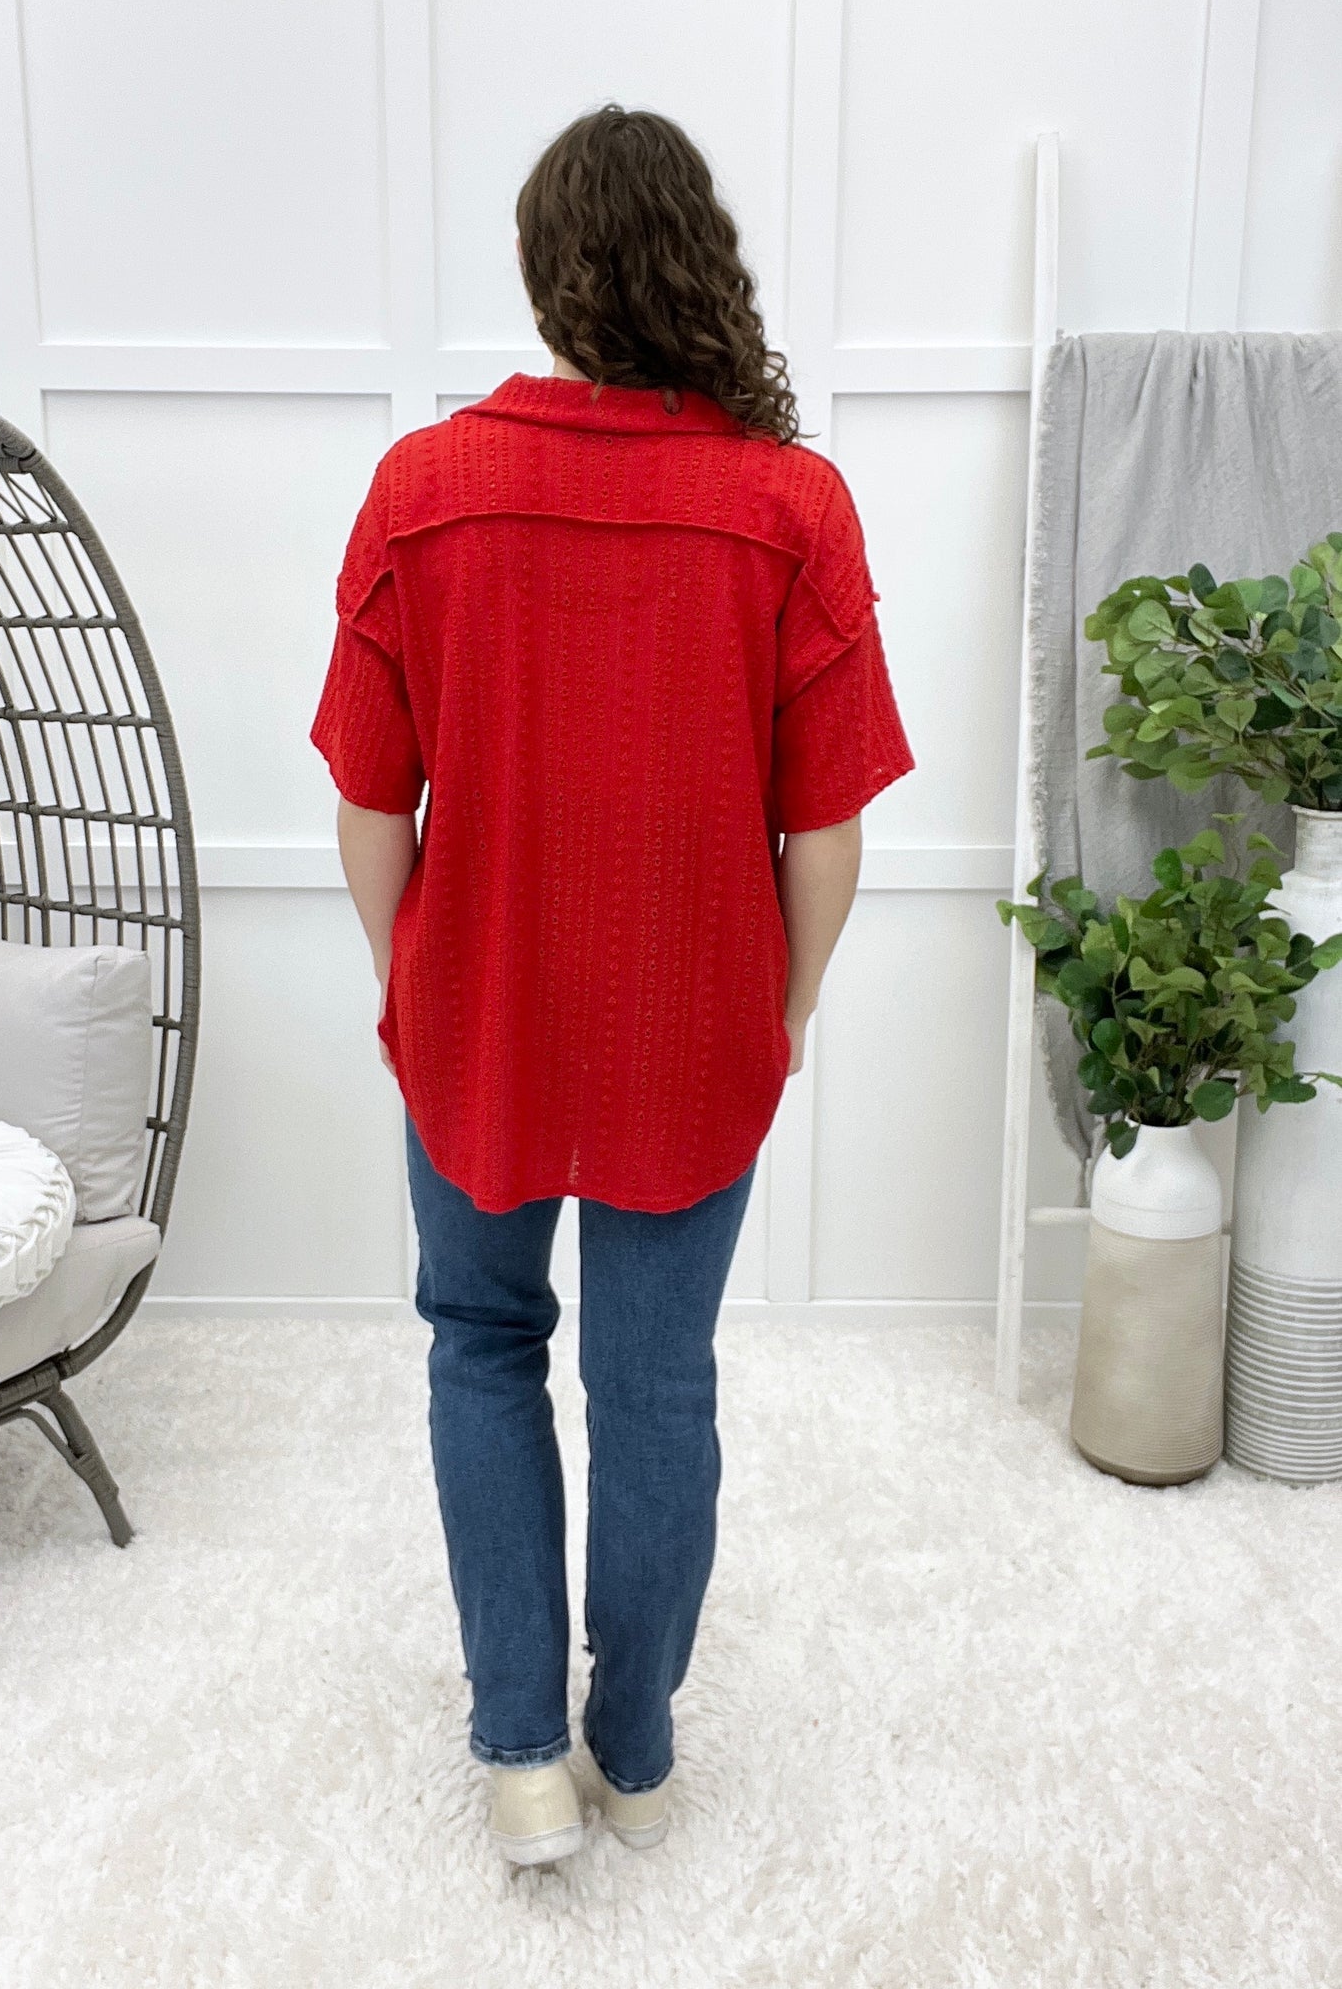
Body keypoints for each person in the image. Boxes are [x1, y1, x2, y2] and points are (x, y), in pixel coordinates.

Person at [310, 103, 913, 1866]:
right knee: (657, 1390)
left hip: (480, 1017)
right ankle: (631, 1749)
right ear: (698, 262)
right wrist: (783, 1011)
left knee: (481, 1346)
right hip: (689, 1020)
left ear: (541, 272)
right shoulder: (791, 505)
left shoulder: (423, 492)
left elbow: (368, 798)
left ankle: (521, 1759)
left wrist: (412, 983)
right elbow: (827, 830)